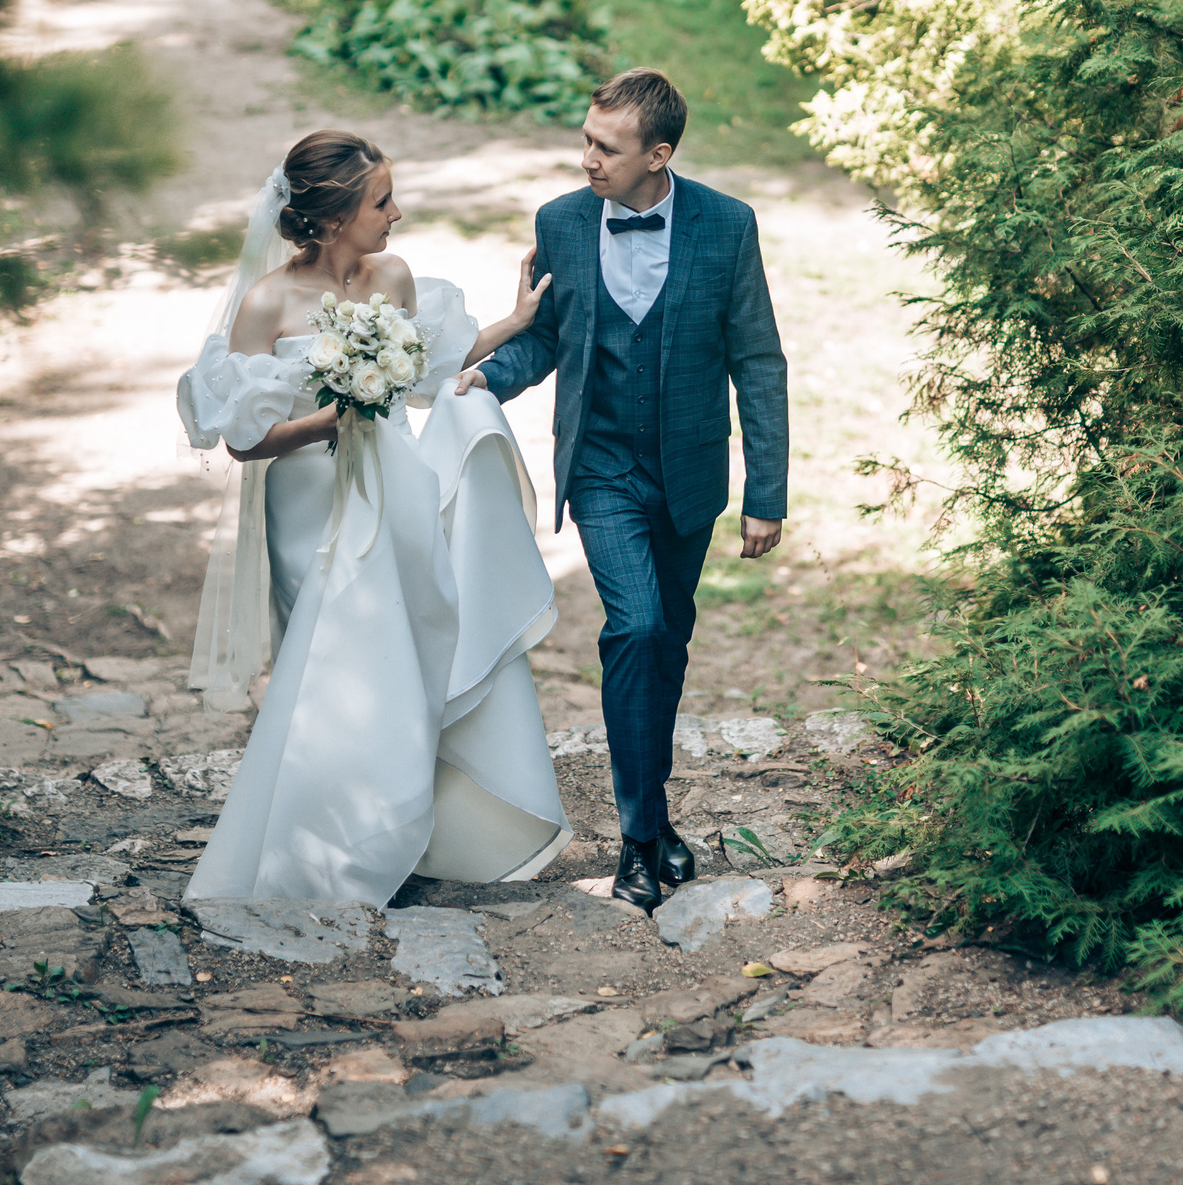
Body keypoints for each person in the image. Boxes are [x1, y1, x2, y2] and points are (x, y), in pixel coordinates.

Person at [175, 130, 572, 904]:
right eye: (381, 201)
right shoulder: (266, 304)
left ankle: (399, 828)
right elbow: (244, 438)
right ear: (329, 218)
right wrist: (331, 422)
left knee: (402, 651)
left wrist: (517, 322)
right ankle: (321, 847)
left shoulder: (391, 276)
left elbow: (431, 366)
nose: (396, 213)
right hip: (306, 501)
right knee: (329, 668)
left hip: (391, 486)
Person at [454, 69, 790, 912]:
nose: (588, 159)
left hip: (689, 477)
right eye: (586, 140)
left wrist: (767, 491)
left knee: (668, 641)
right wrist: (486, 378)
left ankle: (656, 810)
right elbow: (549, 343)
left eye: (606, 147)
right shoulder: (562, 222)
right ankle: (639, 838)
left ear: (658, 154)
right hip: (601, 468)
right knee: (635, 627)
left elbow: (757, 360)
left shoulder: (727, 225)